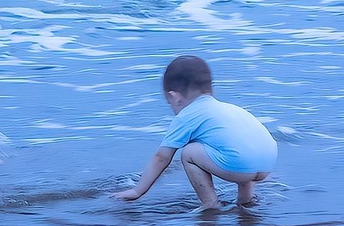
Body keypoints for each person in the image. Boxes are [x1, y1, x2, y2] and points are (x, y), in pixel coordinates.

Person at [115, 55, 277, 209]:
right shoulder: (230, 109)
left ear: (175, 97)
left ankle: (210, 204)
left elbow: (162, 157)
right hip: (268, 161)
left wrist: (138, 191)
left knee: (189, 153)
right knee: (236, 147)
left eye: (170, 104)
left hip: (240, 165)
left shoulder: (187, 115)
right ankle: (246, 200)